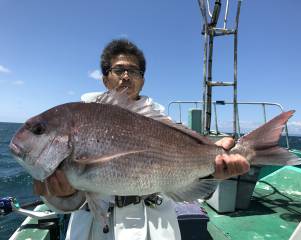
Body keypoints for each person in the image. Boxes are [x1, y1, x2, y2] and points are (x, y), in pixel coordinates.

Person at [34, 39, 250, 240]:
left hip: (154, 227)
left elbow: (183, 181)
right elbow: (66, 199)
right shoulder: (78, 119)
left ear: (142, 79)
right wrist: (64, 195)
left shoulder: (160, 122)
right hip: (96, 228)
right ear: (104, 78)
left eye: (134, 71)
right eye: (118, 70)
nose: (126, 76)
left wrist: (213, 168)